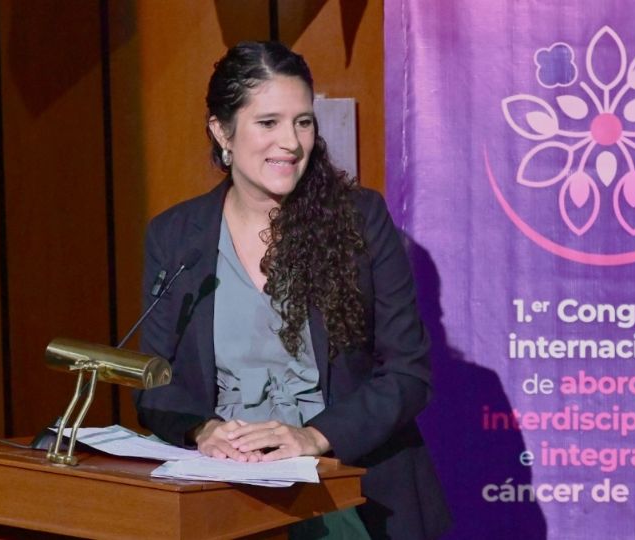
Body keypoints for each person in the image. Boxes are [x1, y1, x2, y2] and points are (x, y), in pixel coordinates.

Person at [135, 41, 451, 539]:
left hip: (349, 484)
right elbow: (154, 381)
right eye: (268, 123)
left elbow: (409, 373)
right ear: (222, 132)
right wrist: (204, 431)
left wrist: (314, 436)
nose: (291, 142)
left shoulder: (359, 221)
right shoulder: (175, 236)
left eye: (303, 122)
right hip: (223, 494)